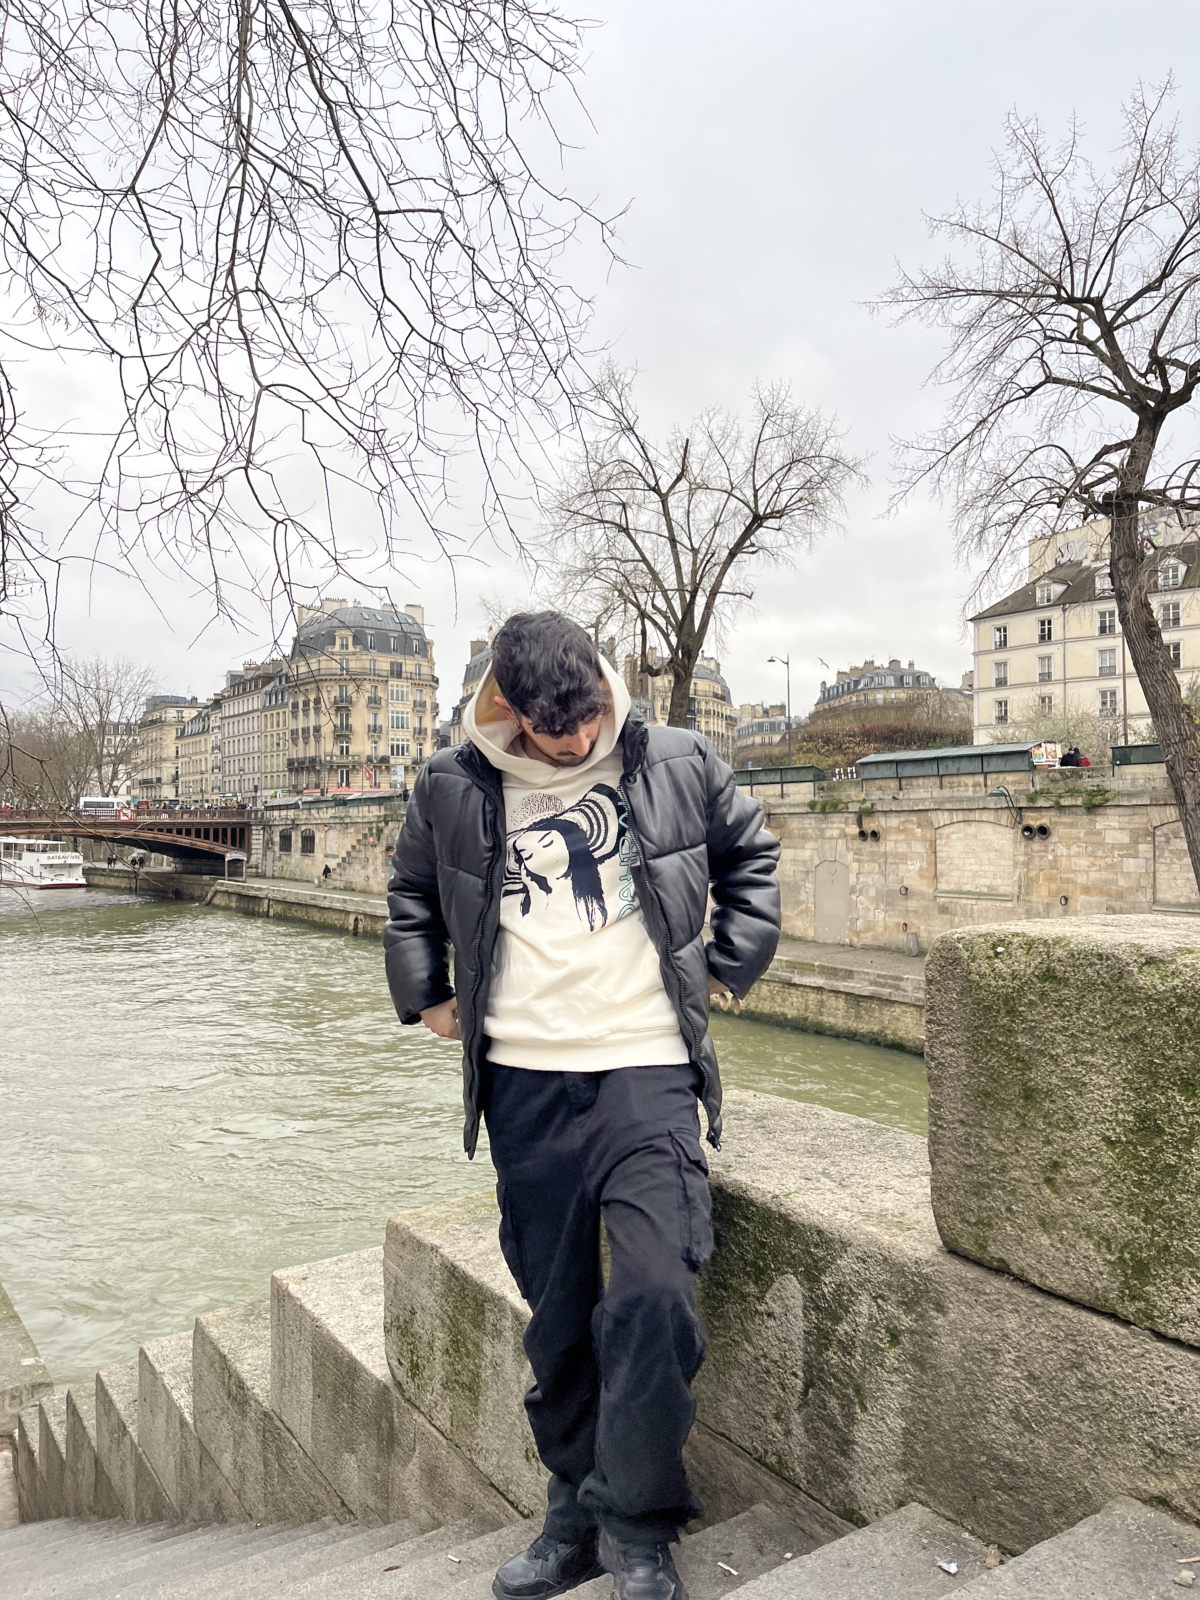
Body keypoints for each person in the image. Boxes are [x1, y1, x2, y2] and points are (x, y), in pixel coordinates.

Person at [384, 613, 781, 1600]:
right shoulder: (450, 783)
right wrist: (424, 995)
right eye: (554, 730)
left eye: (591, 719)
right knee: (556, 1315)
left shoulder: (678, 758)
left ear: (606, 686)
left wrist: (727, 966)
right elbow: (410, 894)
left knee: (653, 1294)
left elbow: (753, 857)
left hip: (647, 1073)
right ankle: (573, 1509)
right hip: (522, 1081)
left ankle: (636, 1525)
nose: (576, 744)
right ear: (509, 708)